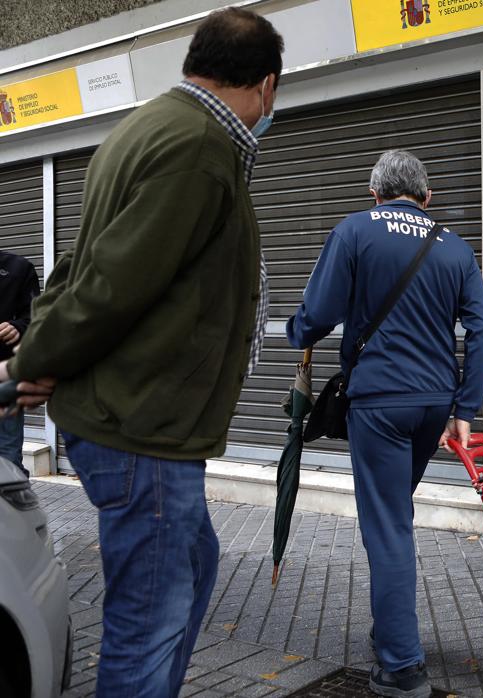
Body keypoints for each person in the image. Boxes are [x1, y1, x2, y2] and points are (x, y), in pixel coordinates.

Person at [1, 8, 282, 696]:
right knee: (148, 619)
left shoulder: (146, 127)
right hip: (142, 426)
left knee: (192, 564)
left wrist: (41, 355)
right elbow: (109, 285)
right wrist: (32, 362)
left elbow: (79, 266)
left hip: (142, 421)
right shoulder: (198, 148)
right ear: (266, 85)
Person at [288, 150, 483, 698]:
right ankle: (390, 626)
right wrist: (465, 409)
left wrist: (295, 331)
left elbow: (317, 314)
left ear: (375, 193)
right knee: (394, 513)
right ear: (427, 197)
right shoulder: (454, 245)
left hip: (380, 401)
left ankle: (402, 665)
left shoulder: (355, 231)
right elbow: (482, 329)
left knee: (388, 528)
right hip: (434, 404)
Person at [0, 250, 40, 474]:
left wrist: (18, 327)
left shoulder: (18, 268)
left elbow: (36, 318)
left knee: (8, 459)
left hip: (5, 380)